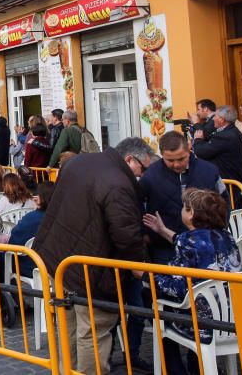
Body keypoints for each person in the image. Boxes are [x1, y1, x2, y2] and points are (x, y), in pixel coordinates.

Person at [34, 137, 154, 375]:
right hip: (91, 270)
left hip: (58, 259)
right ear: (130, 160)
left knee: (66, 327)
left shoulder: (78, 163)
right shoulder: (118, 183)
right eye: (144, 168)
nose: (143, 174)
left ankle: (66, 370)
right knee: (92, 331)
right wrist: (138, 265)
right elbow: (126, 234)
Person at [142, 188, 241, 375]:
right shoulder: (226, 236)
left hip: (201, 322)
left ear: (191, 214)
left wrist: (145, 276)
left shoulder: (187, 241)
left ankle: (175, 369)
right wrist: (162, 230)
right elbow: (195, 245)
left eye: (184, 207)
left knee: (157, 306)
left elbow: (178, 287)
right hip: (229, 317)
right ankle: (200, 366)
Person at [141, 131, 226, 265]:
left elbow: (224, 203)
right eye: (170, 160)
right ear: (161, 154)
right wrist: (145, 234)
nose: (176, 164)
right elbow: (139, 205)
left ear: (189, 148)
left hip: (205, 245)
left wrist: (220, 229)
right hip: (164, 248)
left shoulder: (209, 171)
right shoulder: (150, 175)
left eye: (181, 159)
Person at [192, 105, 242, 187]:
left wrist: (198, 139)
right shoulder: (234, 131)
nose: (213, 119)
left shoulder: (224, 136)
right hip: (235, 178)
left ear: (222, 119)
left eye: (215, 116)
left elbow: (202, 152)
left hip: (228, 181)